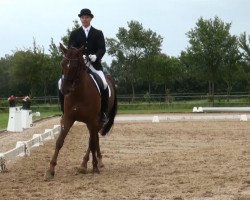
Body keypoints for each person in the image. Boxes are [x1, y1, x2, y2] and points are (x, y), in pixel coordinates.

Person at [67, 8, 109, 124]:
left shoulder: (98, 33)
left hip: (94, 64)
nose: (84, 19)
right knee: (61, 83)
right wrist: (80, 56)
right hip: (78, 66)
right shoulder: (75, 34)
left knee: (104, 83)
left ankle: (104, 112)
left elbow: (102, 48)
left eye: (86, 17)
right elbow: (71, 48)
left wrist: (96, 56)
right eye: (82, 17)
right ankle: (64, 111)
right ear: (80, 19)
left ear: (90, 18)